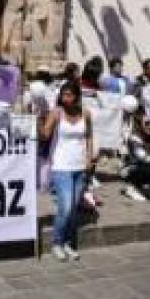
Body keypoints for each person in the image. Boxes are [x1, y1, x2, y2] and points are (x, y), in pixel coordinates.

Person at [39, 81, 94, 262]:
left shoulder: (85, 113)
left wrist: (89, 158)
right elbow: (45, 134)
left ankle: (69, 243)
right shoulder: (57, 113)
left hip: (79, 166)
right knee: (66, 206)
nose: (66, 98)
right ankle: (57, 243)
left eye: (70, 95)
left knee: (73, 209)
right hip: (61, 166)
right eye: (64, 95)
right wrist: (38, 120)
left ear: (77, 96)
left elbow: (89, 136)